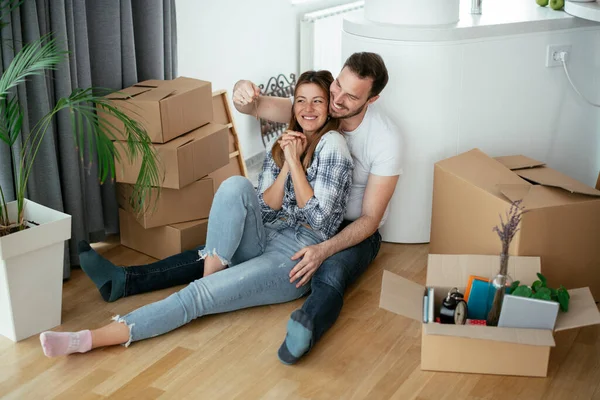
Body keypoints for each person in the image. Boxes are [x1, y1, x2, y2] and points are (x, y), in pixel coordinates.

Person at [39, 70, 354, 357]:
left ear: (329, 108)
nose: (307, 108)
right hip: (265, 235)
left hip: (294, 256)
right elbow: (264, 207)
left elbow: (320, 222)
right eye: (301, 100)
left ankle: (87, 339)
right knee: (235, 185)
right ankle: (210, 275)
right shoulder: (287, 142)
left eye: (317, 101)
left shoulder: (333, 144)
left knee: (197, 297)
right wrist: (287, 160)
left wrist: (296, 163)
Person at [233, 52, 402, 364]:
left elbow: (370, 218)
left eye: (352, 96)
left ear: (372, 99)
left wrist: (325, 249)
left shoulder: (386, 139)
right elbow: (253, 106)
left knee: (331, 271)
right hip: (308, 219)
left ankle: (306, 327)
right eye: (338, 85)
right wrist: (242, 90)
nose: (337, 99)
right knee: (227, 243)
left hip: (353, 229)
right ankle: (133, 278)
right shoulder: (321, 108)